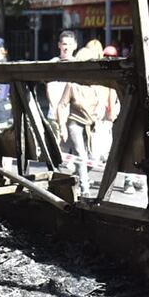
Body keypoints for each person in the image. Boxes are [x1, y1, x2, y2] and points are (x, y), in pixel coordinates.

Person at [55, 42, 107, 196]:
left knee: (93, 157)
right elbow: (62, 105)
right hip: (75, 123)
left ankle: (78, 177)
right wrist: (62, 126)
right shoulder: (72, 84)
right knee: (81, 155)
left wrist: (100, 112)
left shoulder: (95, 84)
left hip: (91, 124)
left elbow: (102, 103)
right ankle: (85, 190)